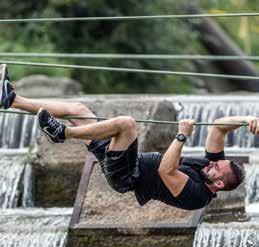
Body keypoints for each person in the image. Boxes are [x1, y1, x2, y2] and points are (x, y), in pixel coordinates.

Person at [0, 64, 256, 210]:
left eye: (215, 167)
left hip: (126, 176)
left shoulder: (198, 195)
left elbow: (167, 170)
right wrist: (246, 120)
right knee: (77, 109)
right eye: (214, 161)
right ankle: (12, 99)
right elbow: (219, 127)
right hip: (125, 160)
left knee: (126, 124)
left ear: (219, 184)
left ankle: (63, 133)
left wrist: (181, 136)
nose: (210, 162)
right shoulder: (211, 168)